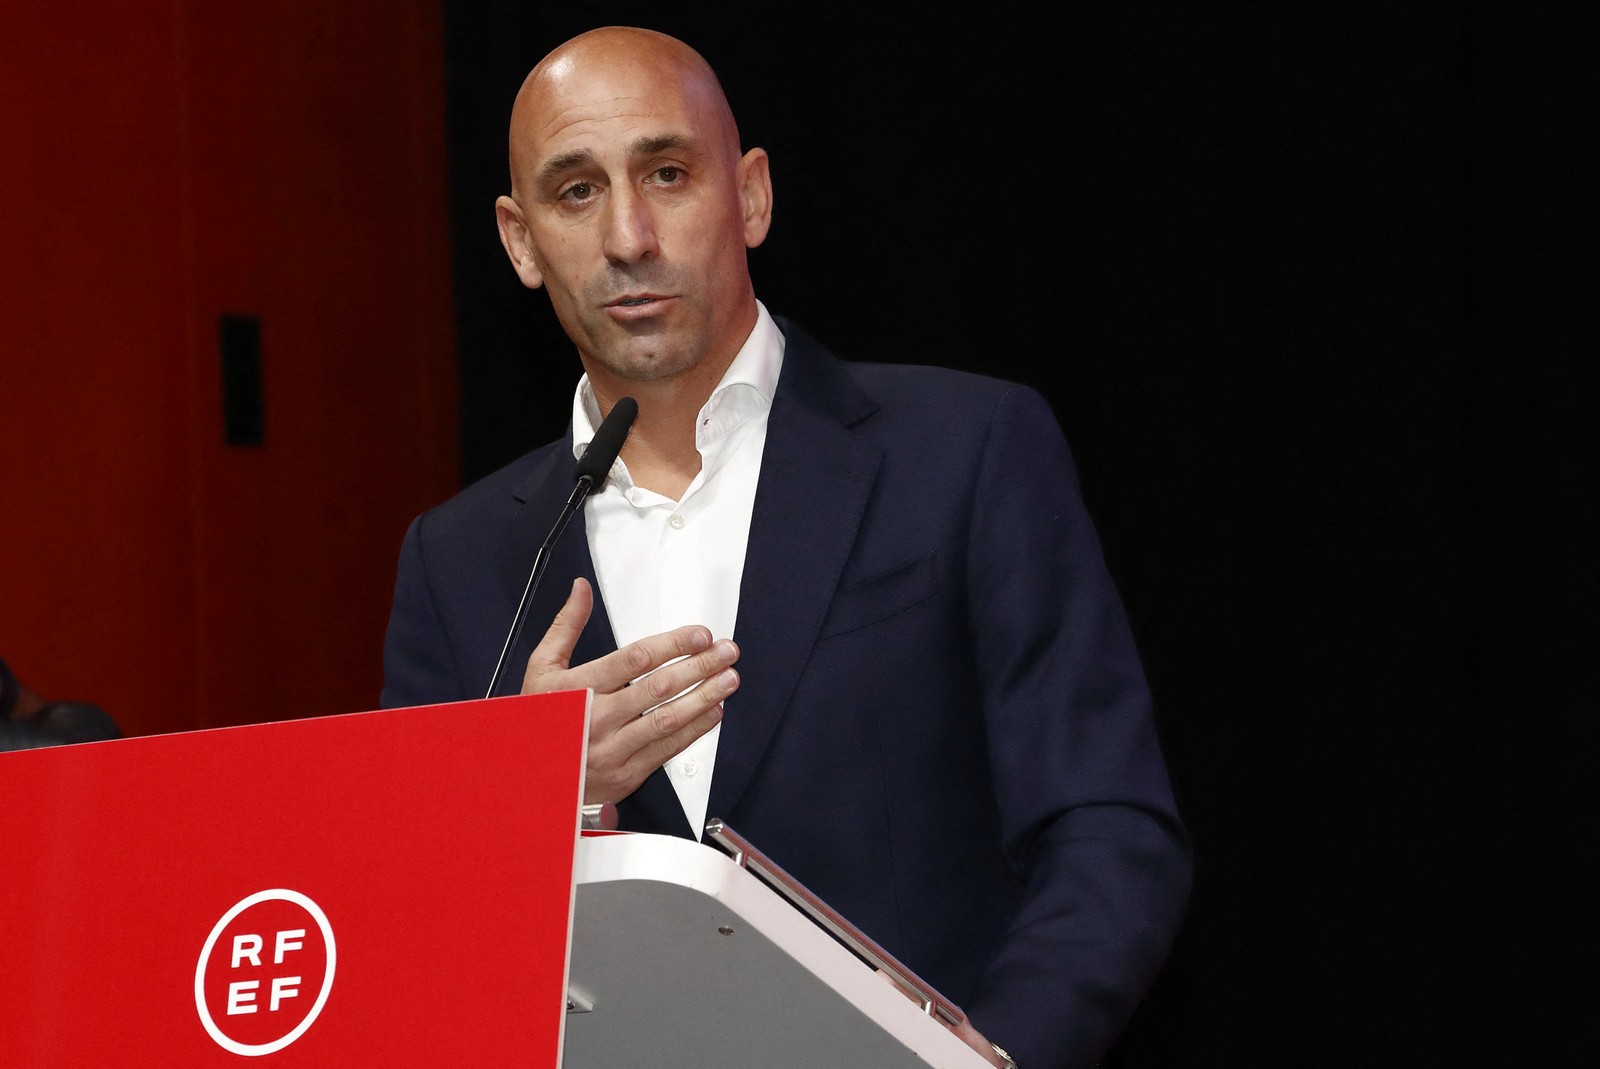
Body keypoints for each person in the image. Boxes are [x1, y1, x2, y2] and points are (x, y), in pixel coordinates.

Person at [381, 26, 1191, 1068]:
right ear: (521, 240)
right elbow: (411, 929)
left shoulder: (963, 453)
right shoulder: (458, 563)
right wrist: (526, 793)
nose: (629, 235)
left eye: (666, 174)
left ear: (750, 195)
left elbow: (1110, 832)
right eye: (575, 192)